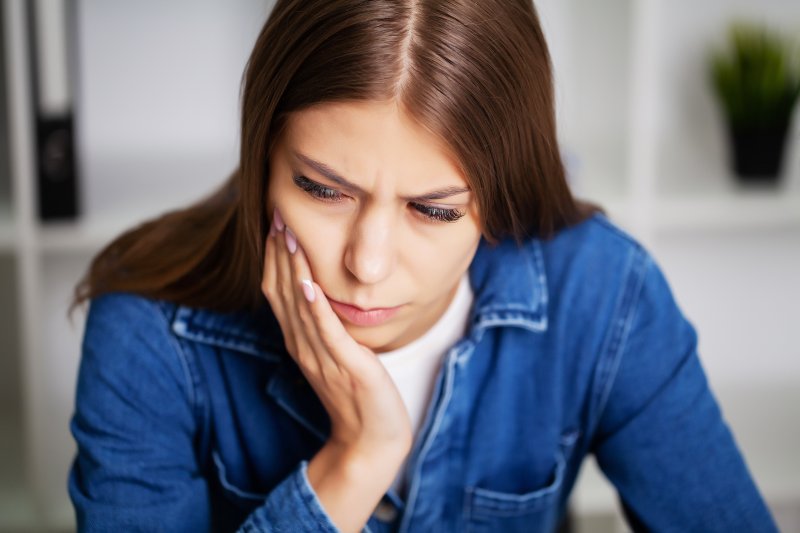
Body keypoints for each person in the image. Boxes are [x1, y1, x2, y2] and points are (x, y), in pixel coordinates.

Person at [66, 1, 778, 532]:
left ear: (499, 200)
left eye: (433, 209)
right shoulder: (148, 327)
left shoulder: (603, 294)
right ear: (261, 159)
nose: (367, 263)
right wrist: (354, 461)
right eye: (322, 189)